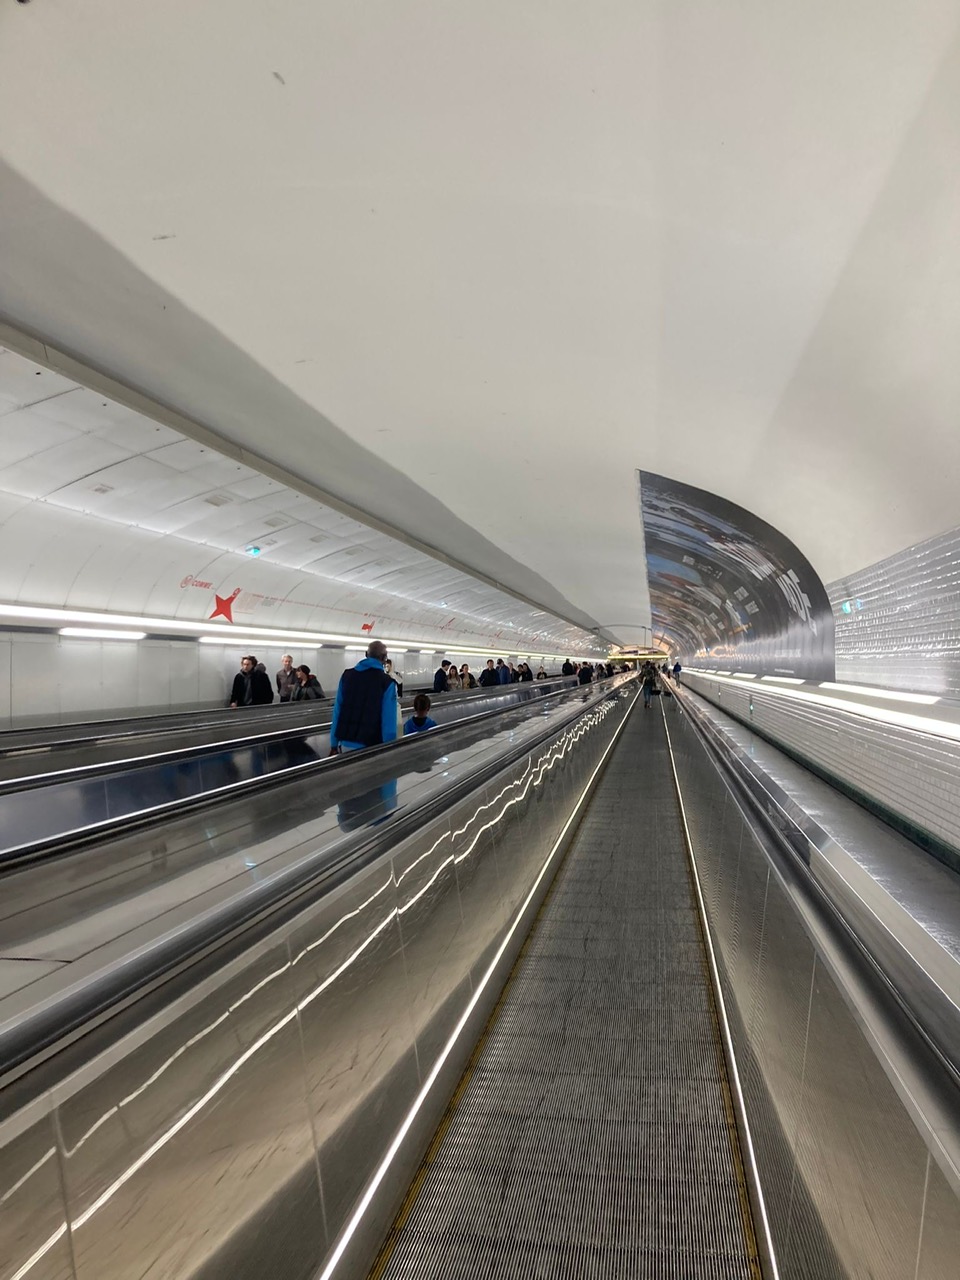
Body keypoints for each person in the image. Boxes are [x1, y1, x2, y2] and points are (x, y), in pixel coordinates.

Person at [330, 640, 398, 753]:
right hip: (371, 746)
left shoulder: (346, 676)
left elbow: (337, 710)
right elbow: (388, 721)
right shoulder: (387, 683)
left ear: (366, 654)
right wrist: (389, 749)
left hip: (344, 743)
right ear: (384, 658)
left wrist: (333, 743)